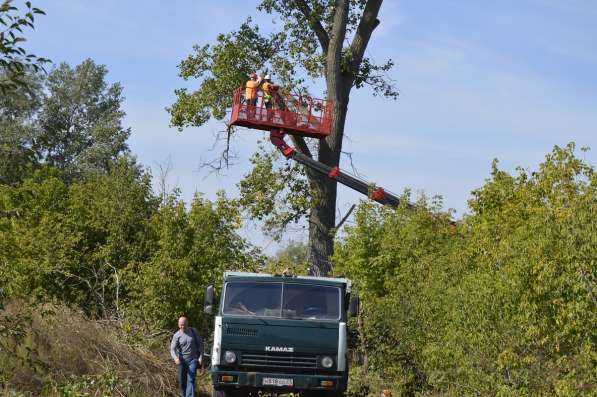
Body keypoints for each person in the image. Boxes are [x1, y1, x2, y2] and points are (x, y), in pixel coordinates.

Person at [170, 316, 203, 397]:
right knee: (182, 381)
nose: (183, 326)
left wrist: (200, 357)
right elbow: (172, 349)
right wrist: (175, 358)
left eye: (184, 324)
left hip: (193, 360)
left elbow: (200, 345)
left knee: (191, 379)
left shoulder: (193, 331)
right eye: (181, 325)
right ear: (178, 325)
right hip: (182, 361)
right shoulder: (176, 335)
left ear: (187, 323)